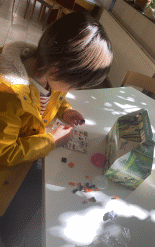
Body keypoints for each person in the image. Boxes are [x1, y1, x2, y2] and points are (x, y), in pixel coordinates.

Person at [0, 12, 113, 246]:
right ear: (57, 69)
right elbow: (4, 153)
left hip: (28, 160)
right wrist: (50, 141)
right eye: (74, 84)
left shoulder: (46, 71)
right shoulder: (7, 95)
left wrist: (66, 111)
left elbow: (56, 97)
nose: (71, 89)